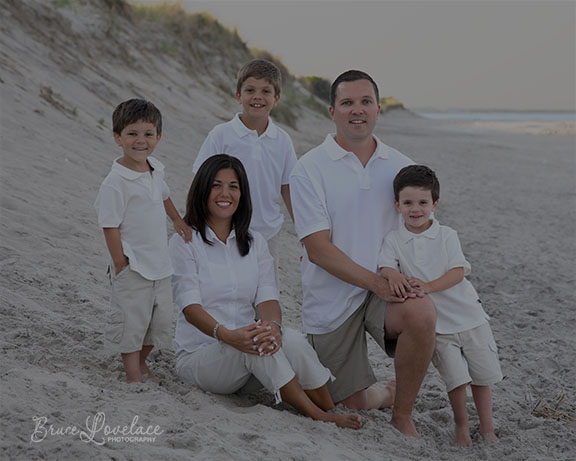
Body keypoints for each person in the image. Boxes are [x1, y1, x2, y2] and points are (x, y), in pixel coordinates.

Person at [289, 70, 436, 437]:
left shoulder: (401, 165)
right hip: (332, 297)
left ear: (378, 109)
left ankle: (402, 413)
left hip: (385, 288)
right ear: (332, 111)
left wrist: (405, 278)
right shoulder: (309, 169)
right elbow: (318, 250)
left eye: (366, 101)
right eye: (348, 102)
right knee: (342, 403)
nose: (358, 110)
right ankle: (386, 392)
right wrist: (376, 281)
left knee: (420, 312)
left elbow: (422, 229)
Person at [168, 154, 361, 429]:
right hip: (202, 358)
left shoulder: (255, 242)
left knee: (290, 339)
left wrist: (272, 326)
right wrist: (229, 336)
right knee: (254, 345)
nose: (225, 193)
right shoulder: (185, 243)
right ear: (202, 190)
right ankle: (320, 416)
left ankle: (328, 405)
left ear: (242, 193)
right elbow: (190, 308)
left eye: (233, 186)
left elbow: (268, 297)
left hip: (247, 358)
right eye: (216, 185)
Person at [379, 165, 502, 446]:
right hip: (439, 326)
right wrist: (393, 274)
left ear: (435, 204)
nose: (416, 209)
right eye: (408, 203)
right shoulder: (394, 239)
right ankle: (461, 427)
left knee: (481, 377)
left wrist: (429, 287)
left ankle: (487, 428)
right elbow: (385, 264)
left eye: (423, 203)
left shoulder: (447, 235)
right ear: (397, 205)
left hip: (470, 318)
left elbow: (459, 271)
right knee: (455, 381)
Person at [94, 98, 192, 383]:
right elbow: (109, 225)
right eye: (132, 134)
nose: (141, 141)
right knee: (132, 323)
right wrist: (120, 263)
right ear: (118, 138)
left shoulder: (155, 170)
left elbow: (163, 196)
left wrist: (176, 219)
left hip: (160, 264)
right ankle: (133, 374)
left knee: (159, 323)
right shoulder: (115, 182)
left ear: (158, 137)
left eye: (148, 134)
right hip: (133, 266)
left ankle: (142, 361)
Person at [192, 59, 298, 279]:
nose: (257, 96)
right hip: (223, 230)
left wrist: (306, 233)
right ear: (239, 95)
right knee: (225, 289)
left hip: (267, 233)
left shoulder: (282, 140)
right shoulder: (221, 134)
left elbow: (288, 188)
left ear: (276, 99)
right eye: (250, 90)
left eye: (266, 91)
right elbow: (200, 181)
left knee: (265, 295)